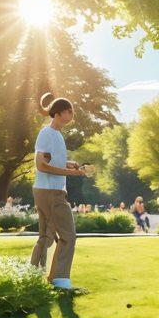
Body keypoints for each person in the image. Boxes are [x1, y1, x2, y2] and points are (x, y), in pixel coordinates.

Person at [31, 93, 92, 290]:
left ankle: (32, 277)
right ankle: (60, 280)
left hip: (48, 191)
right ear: (58, 113)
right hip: (51, 192)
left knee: (47, 237)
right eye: (69, 111)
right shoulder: (46, 133)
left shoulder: (56, 134)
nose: (72, 114)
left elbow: (50, 161)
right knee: (68, 236)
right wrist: (72, 173)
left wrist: (69, 164)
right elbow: (41, 165)